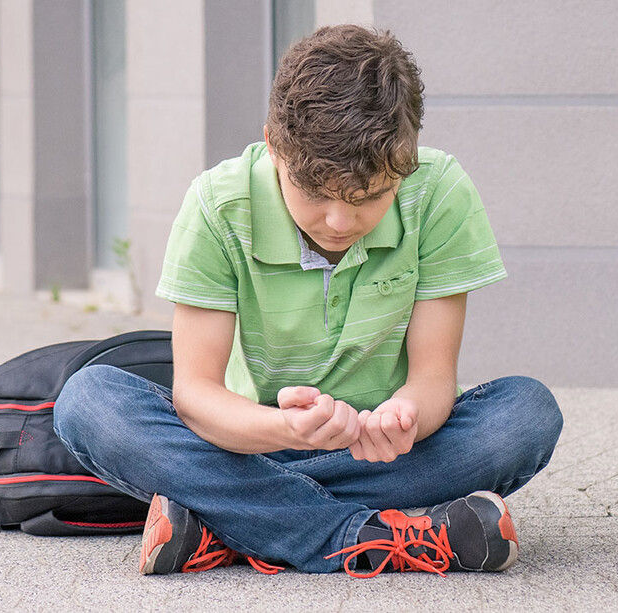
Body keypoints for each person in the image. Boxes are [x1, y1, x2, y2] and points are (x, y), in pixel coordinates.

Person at [54, 24, 562, 578]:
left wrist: (408, 417)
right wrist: (285, 430)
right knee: (89, 400)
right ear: (274, 144)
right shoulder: (218, 205)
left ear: (406, 157)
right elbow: (196, 396)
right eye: (315, 193)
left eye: (370, 197)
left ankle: (235, 522)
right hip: (250, 446)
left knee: (524, 415)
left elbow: (435, 378)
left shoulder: (439, 192)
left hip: (385, 457)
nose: (340, 223)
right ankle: (372, 537)